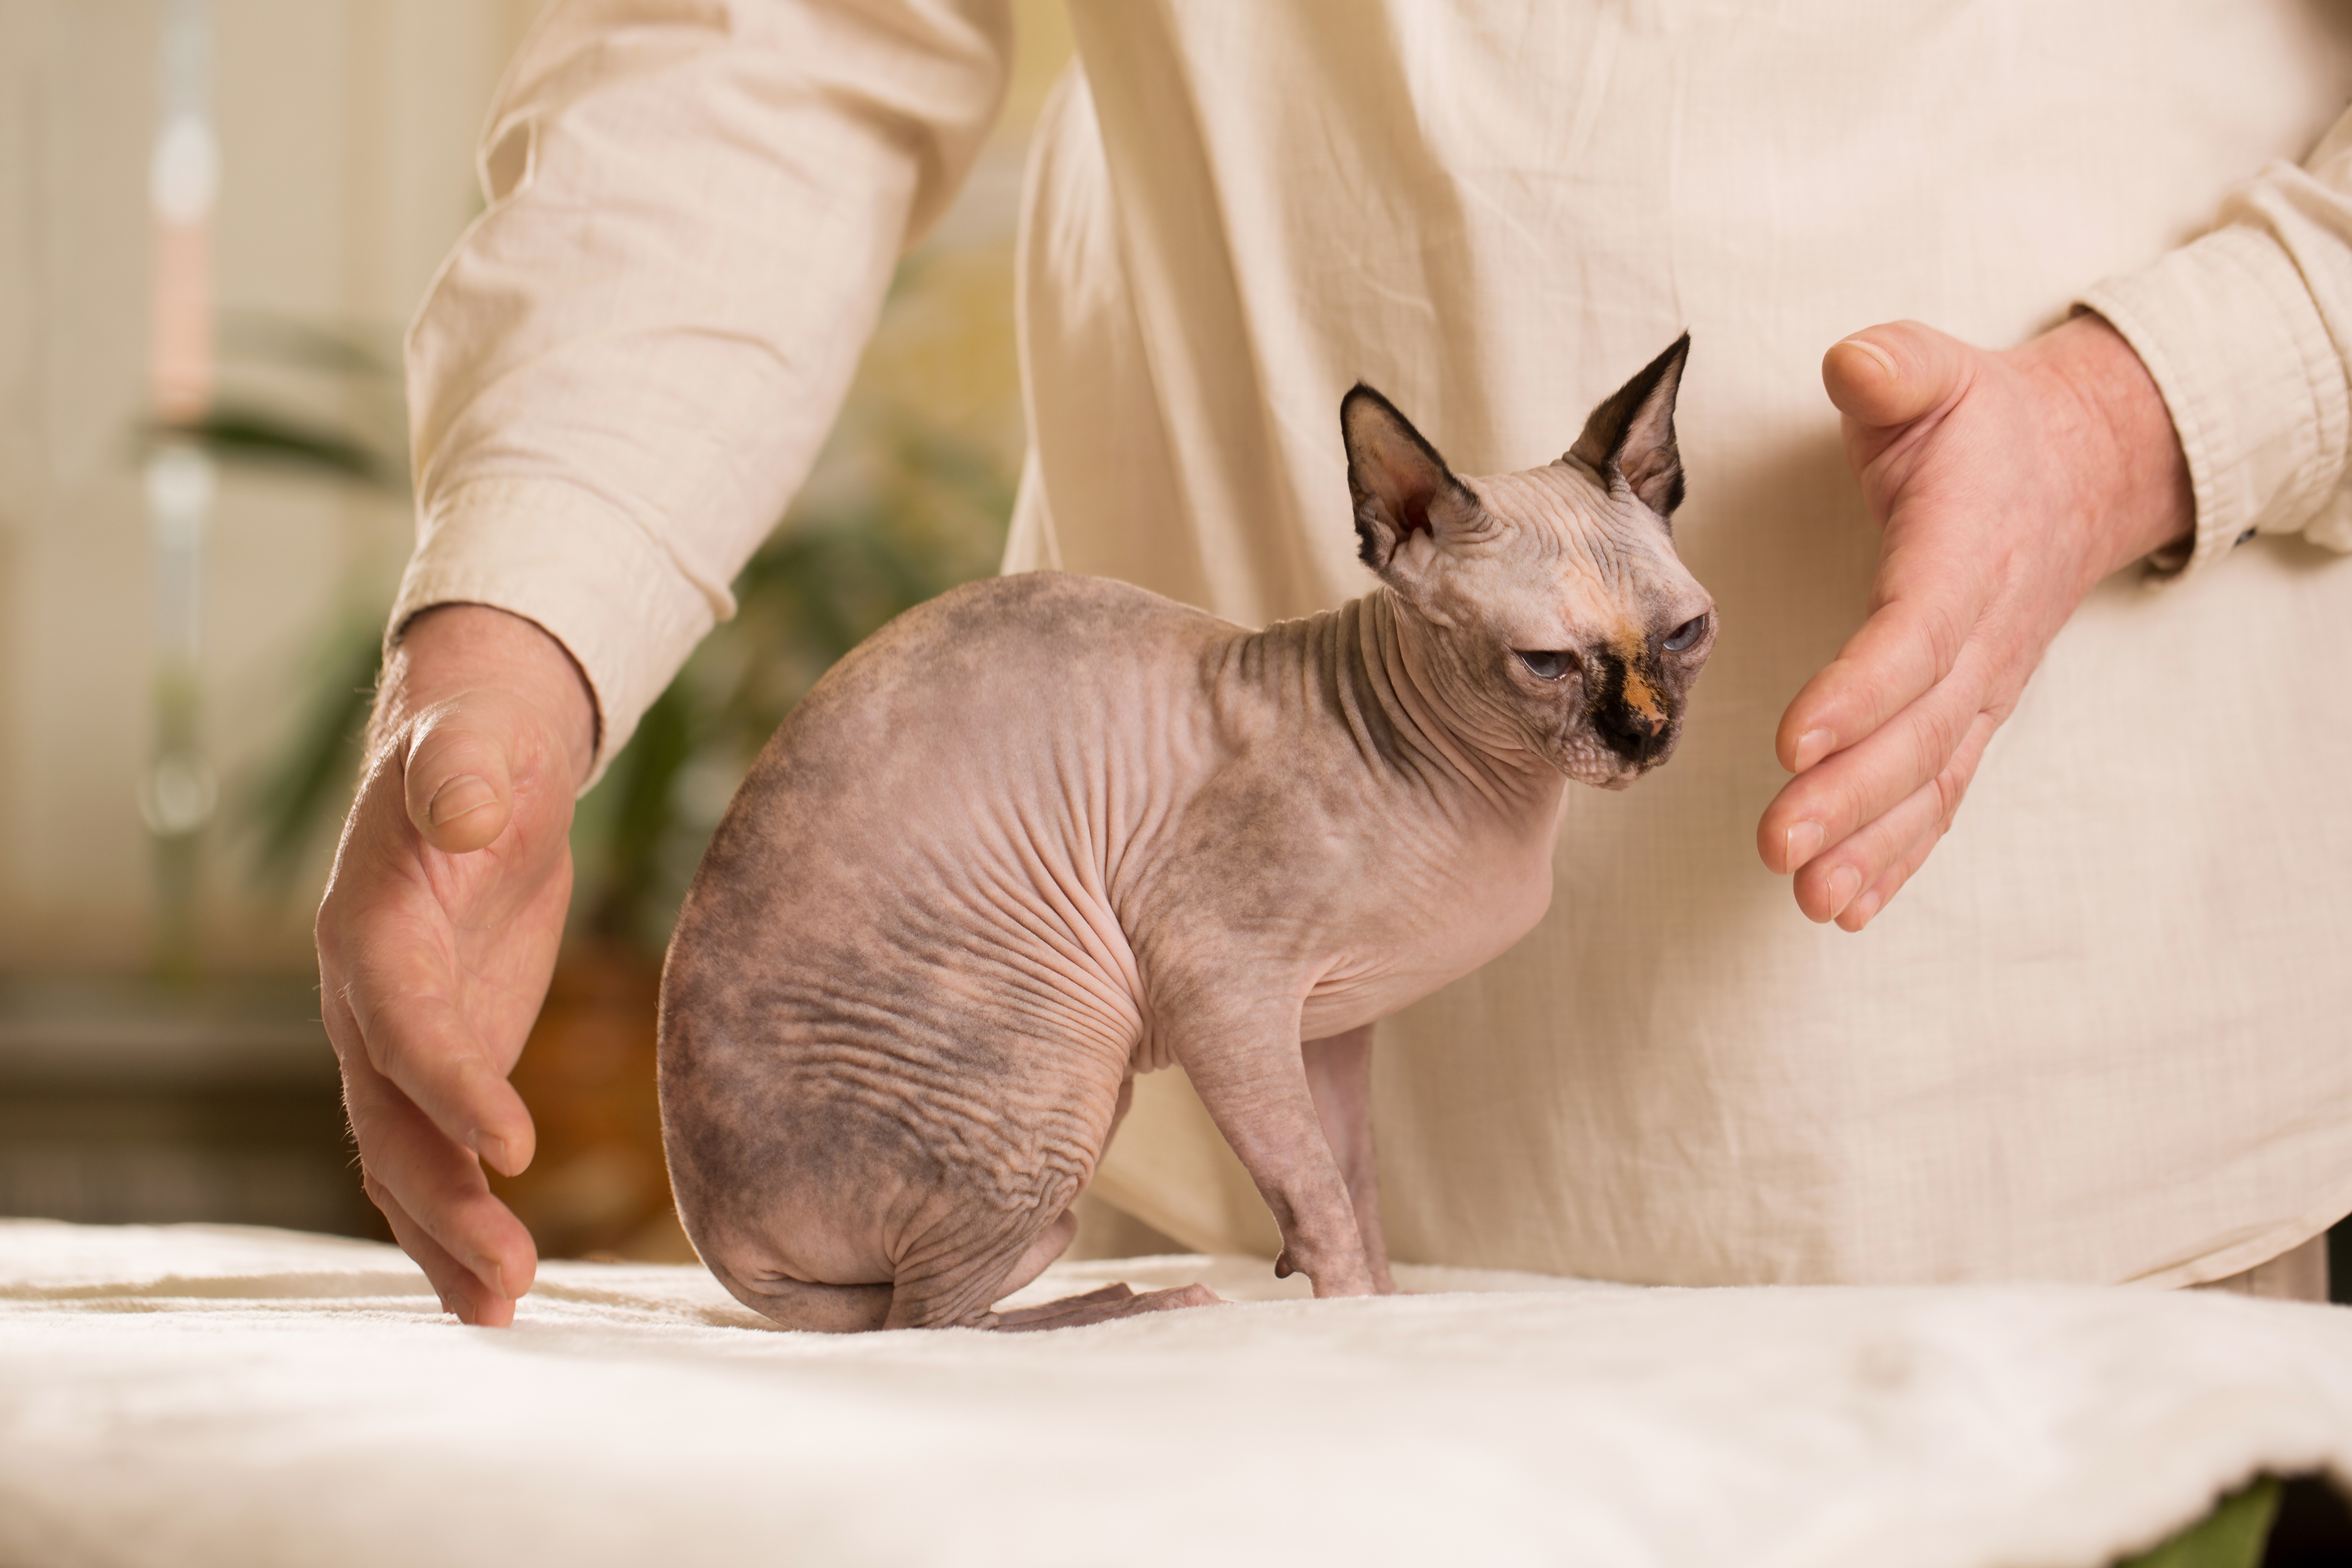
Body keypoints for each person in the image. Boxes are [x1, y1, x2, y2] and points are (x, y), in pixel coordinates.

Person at [317, 1, 2352, 1326]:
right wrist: (518, 631)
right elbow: (754, 37)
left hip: (2071, 1141)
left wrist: (2156, 409)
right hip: (1184, 1230)